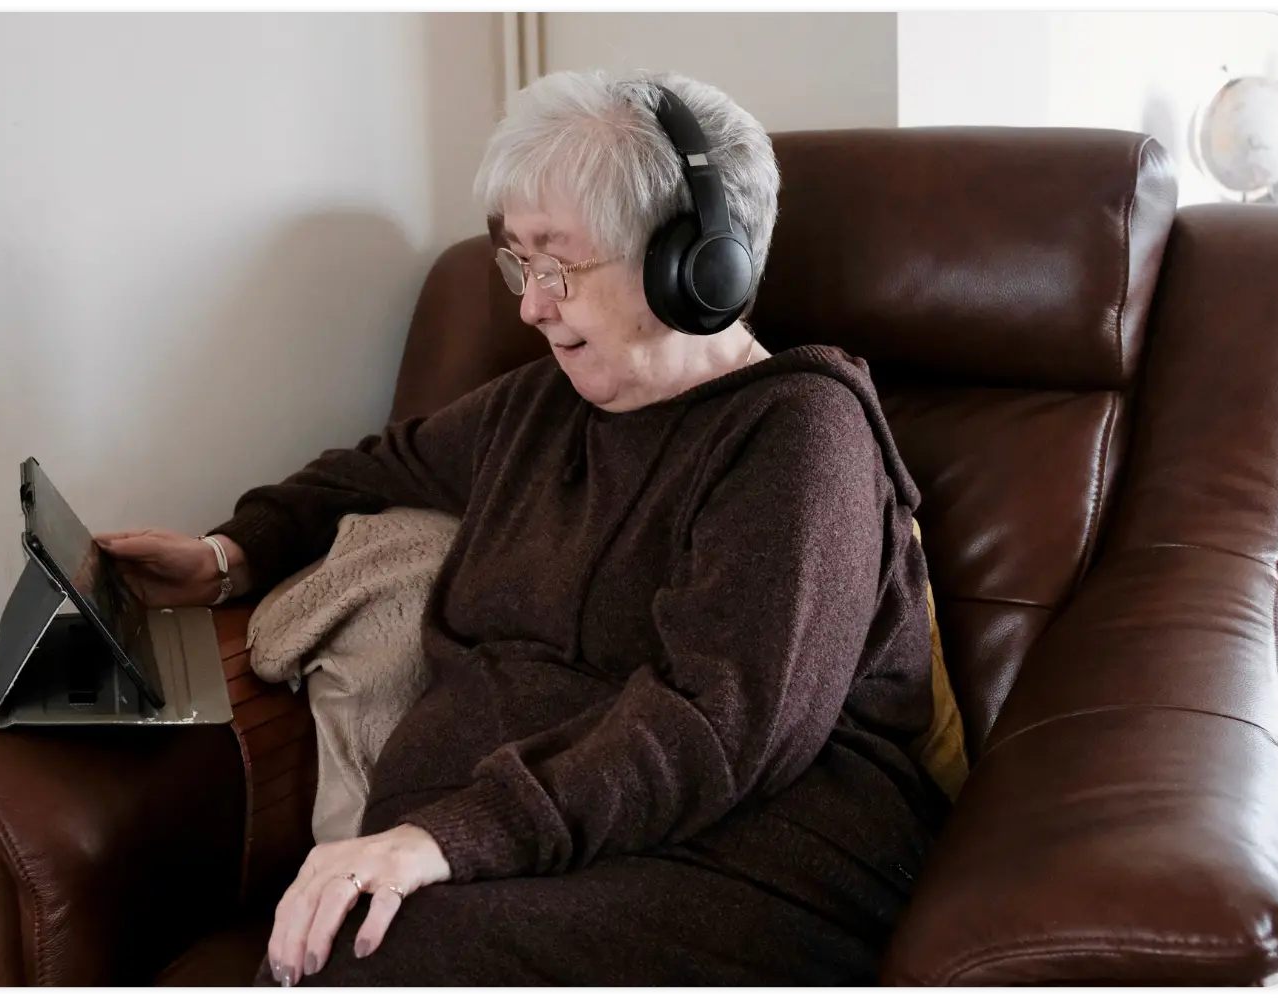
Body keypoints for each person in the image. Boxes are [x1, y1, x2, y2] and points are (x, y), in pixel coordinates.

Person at [98, 69, 949, 988]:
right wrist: (226, 557)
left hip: (739, 853)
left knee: (360, 958)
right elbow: (373, 467)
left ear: (695, 265)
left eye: (560, 264)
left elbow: (719, 725)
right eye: (518, 262)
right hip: (530, 848)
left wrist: (444, 838)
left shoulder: (795, 433)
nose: (530, 305)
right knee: (337, 949)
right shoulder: (542, 406)